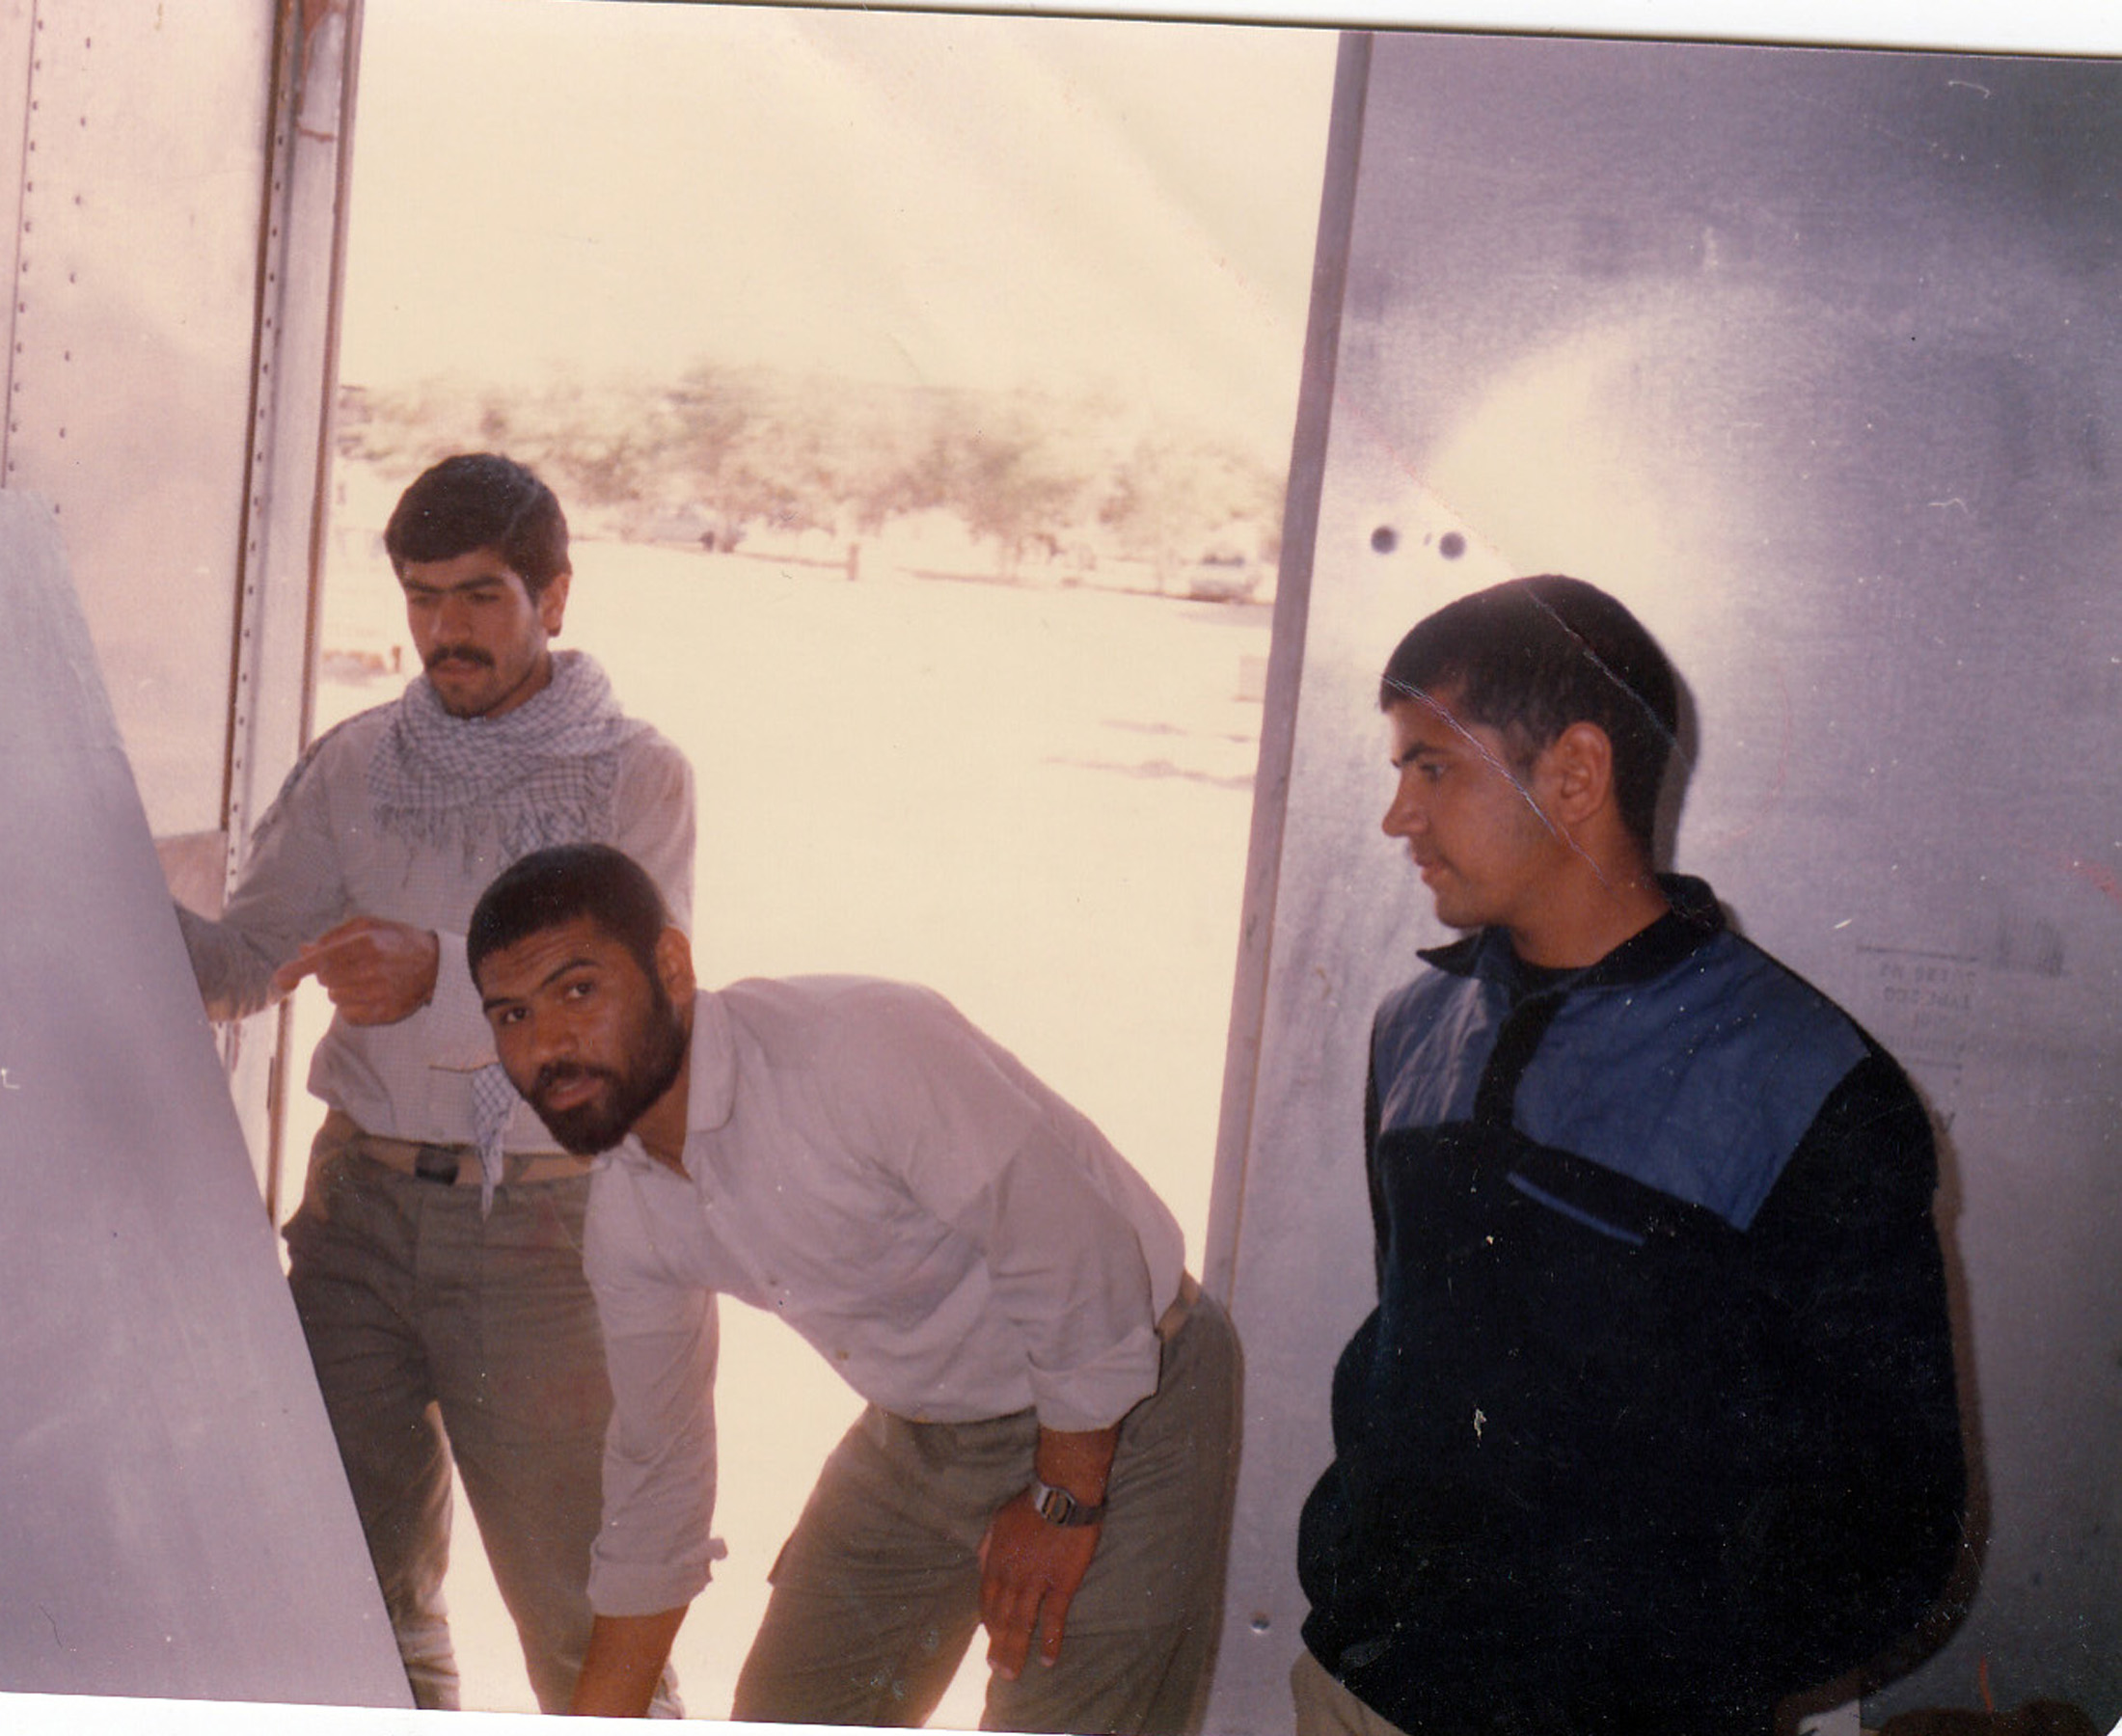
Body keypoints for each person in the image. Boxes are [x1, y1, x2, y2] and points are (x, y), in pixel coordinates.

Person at [1292, 576, 1966, 1736]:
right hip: (1362, 1693)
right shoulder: (1414, 1028)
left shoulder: (1808, 1085)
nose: (1398, 816)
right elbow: (1405, 1354)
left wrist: (1646, 1684)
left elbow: (1891, 1526)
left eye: (1432, 768)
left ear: (1576, 773)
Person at [462, 842, 1239, 1732]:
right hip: (922, 1429)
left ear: (670, 966)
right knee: (783, 1716)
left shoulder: (853, 1047)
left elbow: (1077, 1253)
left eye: (578, 991)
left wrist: (1064, 1503)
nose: (546, 1046)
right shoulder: (630, 1213)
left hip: (1128, 1388)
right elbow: (657, 1479)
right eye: (512, 1014)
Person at [176, 454, 694, 1714]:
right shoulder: (356, 762)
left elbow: (638, 1013)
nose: (444, 631)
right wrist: (78, 871)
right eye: (421, 597)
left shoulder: (636, 775)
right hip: (353, 1220)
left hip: (546, 1234)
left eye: (479, 598)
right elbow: (247, 966)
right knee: (346, 1607)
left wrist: (443, 976)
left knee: (589, 1626)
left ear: (553, 597)